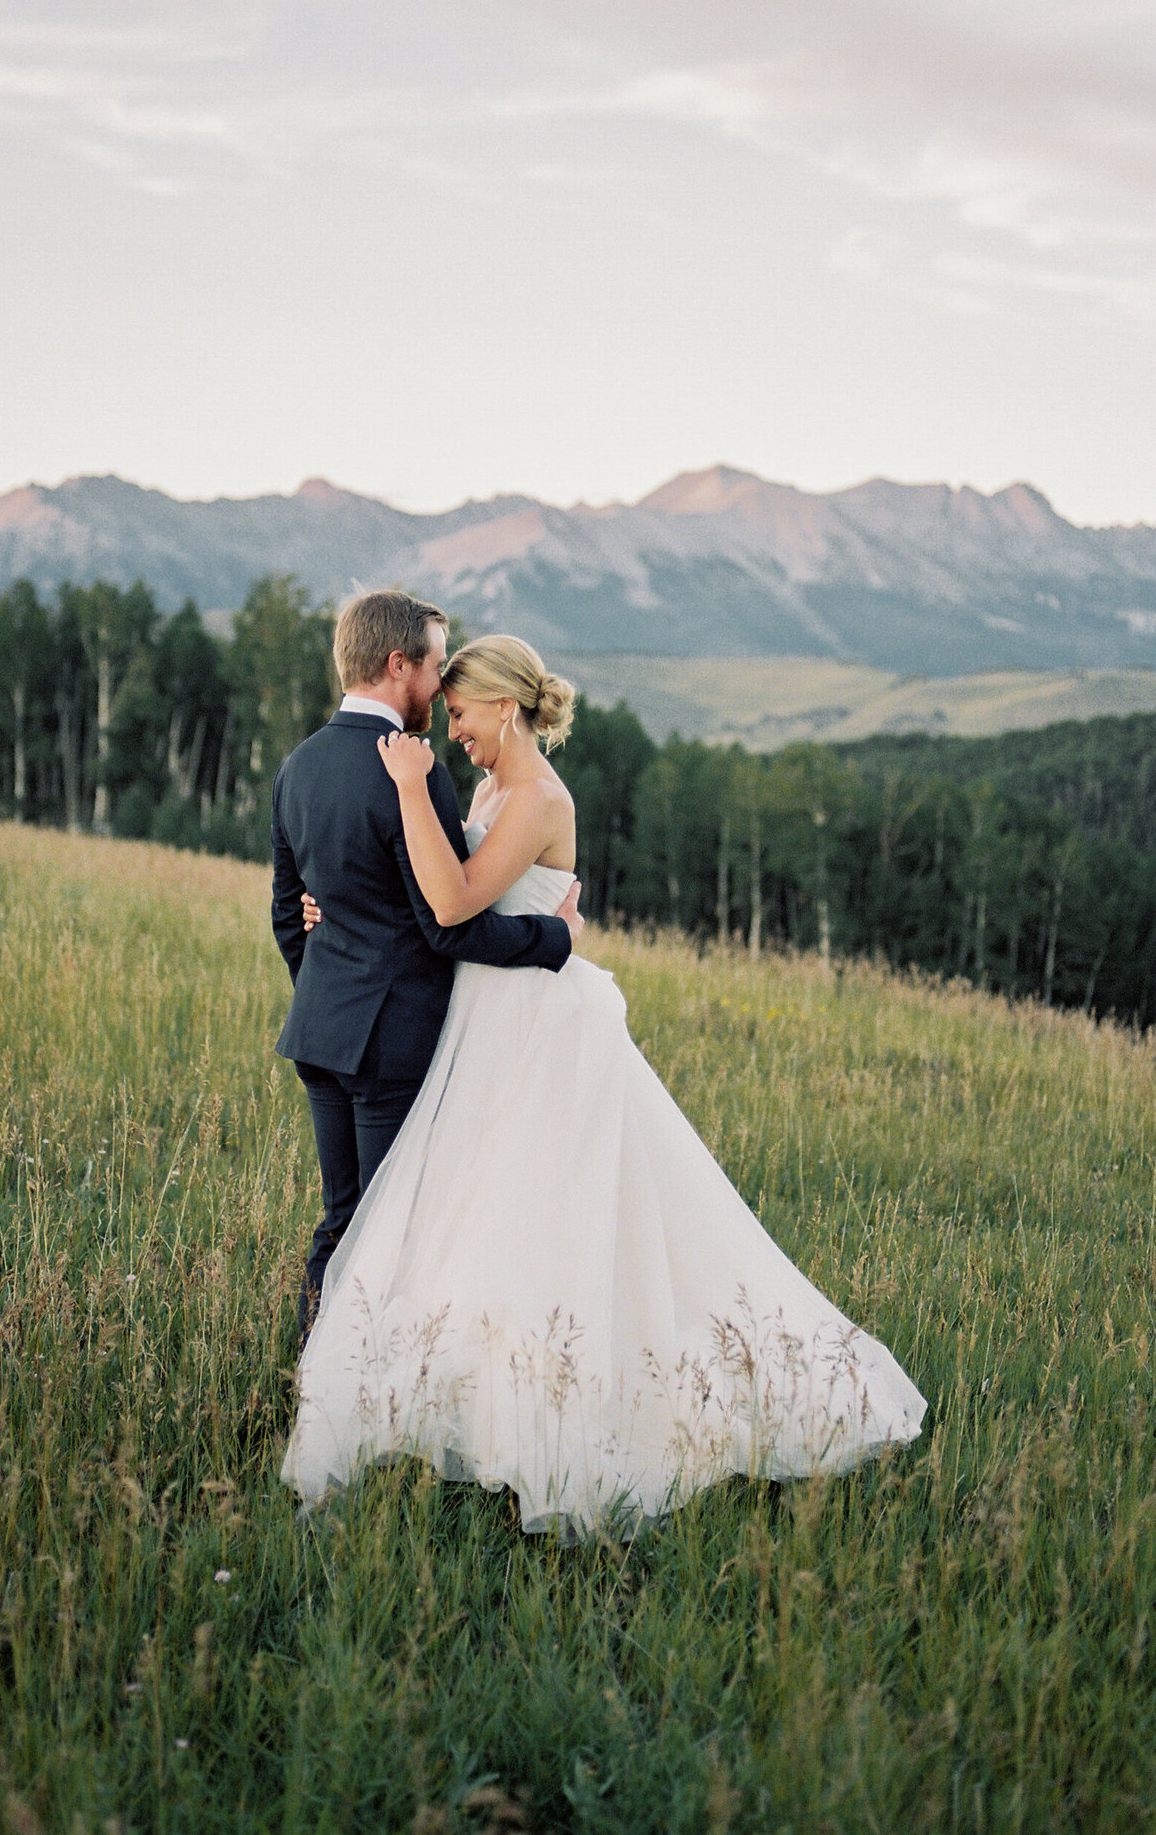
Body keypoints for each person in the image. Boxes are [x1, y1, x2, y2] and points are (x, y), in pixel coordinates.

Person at [280, 633, 926, 1538]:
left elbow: (457, 902)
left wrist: (401, 792)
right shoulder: (494, 785)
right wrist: (336, 904)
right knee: (477, 1220)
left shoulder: (541, 796)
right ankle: (471, 1402)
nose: (453, 730)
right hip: (488, 1019)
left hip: (539, 1031)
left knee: (544, 1224)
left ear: (506, 707)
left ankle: (559, 1416)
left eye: (463, 713)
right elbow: (434, 901)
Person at [270, 592, 583, 1340]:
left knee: (343, 1220)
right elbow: (447, 926)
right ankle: (365, 1400)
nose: (442, 689)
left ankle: (311, 1386)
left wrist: (326, 986)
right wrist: (552, 939)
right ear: (397, 664)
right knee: (392, 1228)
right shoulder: (417, 776)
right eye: (438, 667)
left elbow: (291, 914)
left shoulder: (298, 767)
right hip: (394, 1043)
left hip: (319, 1031)